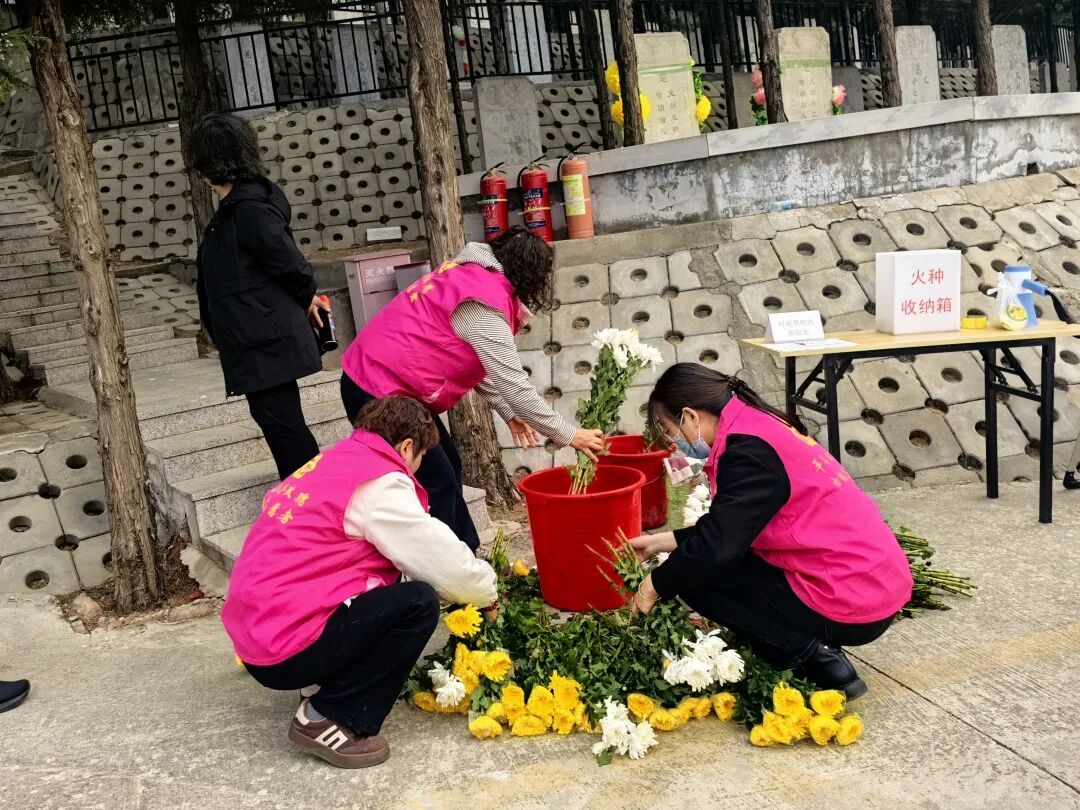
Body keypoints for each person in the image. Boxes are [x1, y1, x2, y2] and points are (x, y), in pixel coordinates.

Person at [222, 395, 497, 769]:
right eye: (421, 457)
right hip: (284, 646)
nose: (418, 468)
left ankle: (320, 682)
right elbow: (443, 564)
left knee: (382, 585)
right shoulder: (378, 483)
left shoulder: (338, 461)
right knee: (417, 603)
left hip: (261, 629)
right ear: (407, 447)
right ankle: (329, 717)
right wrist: (486, 591)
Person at [628, 363, 912, 700]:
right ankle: (804, 642)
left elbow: (715, 550)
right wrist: (664, 541)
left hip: (852, 596)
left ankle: (818, 657)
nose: (676, 443)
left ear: (690, 416)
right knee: (699, 560)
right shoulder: (757, 424)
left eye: (671, 430)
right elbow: (734, 526)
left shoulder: (747, 452)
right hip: (874, 579)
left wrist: (653, 584)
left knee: (694, 576)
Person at [338, 226, 605, 551]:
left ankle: (468, 555)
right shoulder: (483, 303)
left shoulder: (469, 277)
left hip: (390, 384)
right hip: (375, 388)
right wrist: (570, 434)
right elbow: (516, 386)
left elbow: (474, 360)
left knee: (449, 465)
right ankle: (447, 569)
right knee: (436, 481)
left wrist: (508, 412)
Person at [188, 112, 329, 481]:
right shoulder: (242, 206)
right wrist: (306, 298)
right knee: (281, 424)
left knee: (285, 429)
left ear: (207, 162)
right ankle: (308, 498)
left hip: (263, 341)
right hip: (257, 339)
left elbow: (290, 264)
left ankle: (313, 501)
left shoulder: (248, 209)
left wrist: (305, 295)